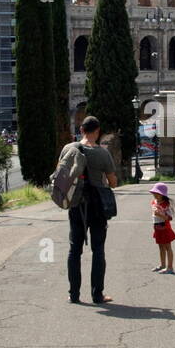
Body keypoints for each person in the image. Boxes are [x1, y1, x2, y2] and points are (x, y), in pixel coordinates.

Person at [59, 116, 118, 305]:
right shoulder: (102, 153)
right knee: (98, 249)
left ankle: (74, 295)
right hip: (97, 206)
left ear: (82, 130)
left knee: (74, 250)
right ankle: (97, 295)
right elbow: (113, 182)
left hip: (76, 204)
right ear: (97, 131)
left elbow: (60, 173)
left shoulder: (69, 149)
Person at [149, 183, 175, 273]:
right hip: (157, 227)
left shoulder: (166, 204)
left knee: (168, 247)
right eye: (154, 193)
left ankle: (170, 267)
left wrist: (160, 214)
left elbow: (169, 218)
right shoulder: (153, 202)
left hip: (165, 227)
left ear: (163, 194)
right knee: (161, 247)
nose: (155, 195)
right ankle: (162, 265)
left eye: (157, 193)